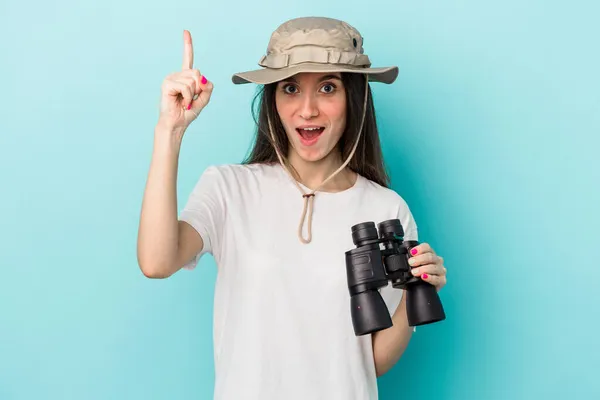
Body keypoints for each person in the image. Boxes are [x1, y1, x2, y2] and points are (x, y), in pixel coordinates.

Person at [137, 16, 447, 400]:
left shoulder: (387, 209)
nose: (308, 109)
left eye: (328, 87)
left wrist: (416, 290)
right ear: (273, 99)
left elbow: (368, 362)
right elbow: (155, 261)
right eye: (291, 88)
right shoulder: (230, 188)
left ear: (354, 97)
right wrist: (170, 130)